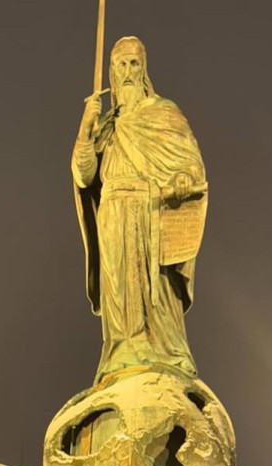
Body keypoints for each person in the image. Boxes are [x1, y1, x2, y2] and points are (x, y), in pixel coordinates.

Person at [73, 36, 207, 383]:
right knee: (119, 293)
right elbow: (84, 175)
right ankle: (121, 354)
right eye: (121, 65)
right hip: (113, 214)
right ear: (112, 73)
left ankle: (166, 354)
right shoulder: (106, 126)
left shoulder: (163, 113)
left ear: (143, 69)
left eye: (134, 63)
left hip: (150, 213)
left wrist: (182, 179)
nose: (128, 71)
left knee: (155, 291)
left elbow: (189, 163)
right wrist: (86, 129)